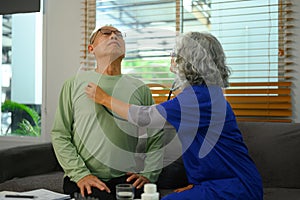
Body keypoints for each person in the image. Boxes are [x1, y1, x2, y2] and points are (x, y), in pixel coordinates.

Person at [85, 32, 264, 200]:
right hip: (224, 182)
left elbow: (144, 118)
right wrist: (198, 185)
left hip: (236, 187)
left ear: (189, 61)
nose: (173, 58)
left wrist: (104, 98)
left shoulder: (198, 98)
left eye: (177, 54)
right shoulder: (208, 94)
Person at [51, 25, 164, 200]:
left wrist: (149, 173)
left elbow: (156, 136)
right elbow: (60, 134)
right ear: (91, 49)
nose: (114, 36)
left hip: (126, 178)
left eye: (119, 34)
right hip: (86, 178)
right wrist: (81, 175)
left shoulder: (140, 89)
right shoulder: (73, 84)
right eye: (106, 33)